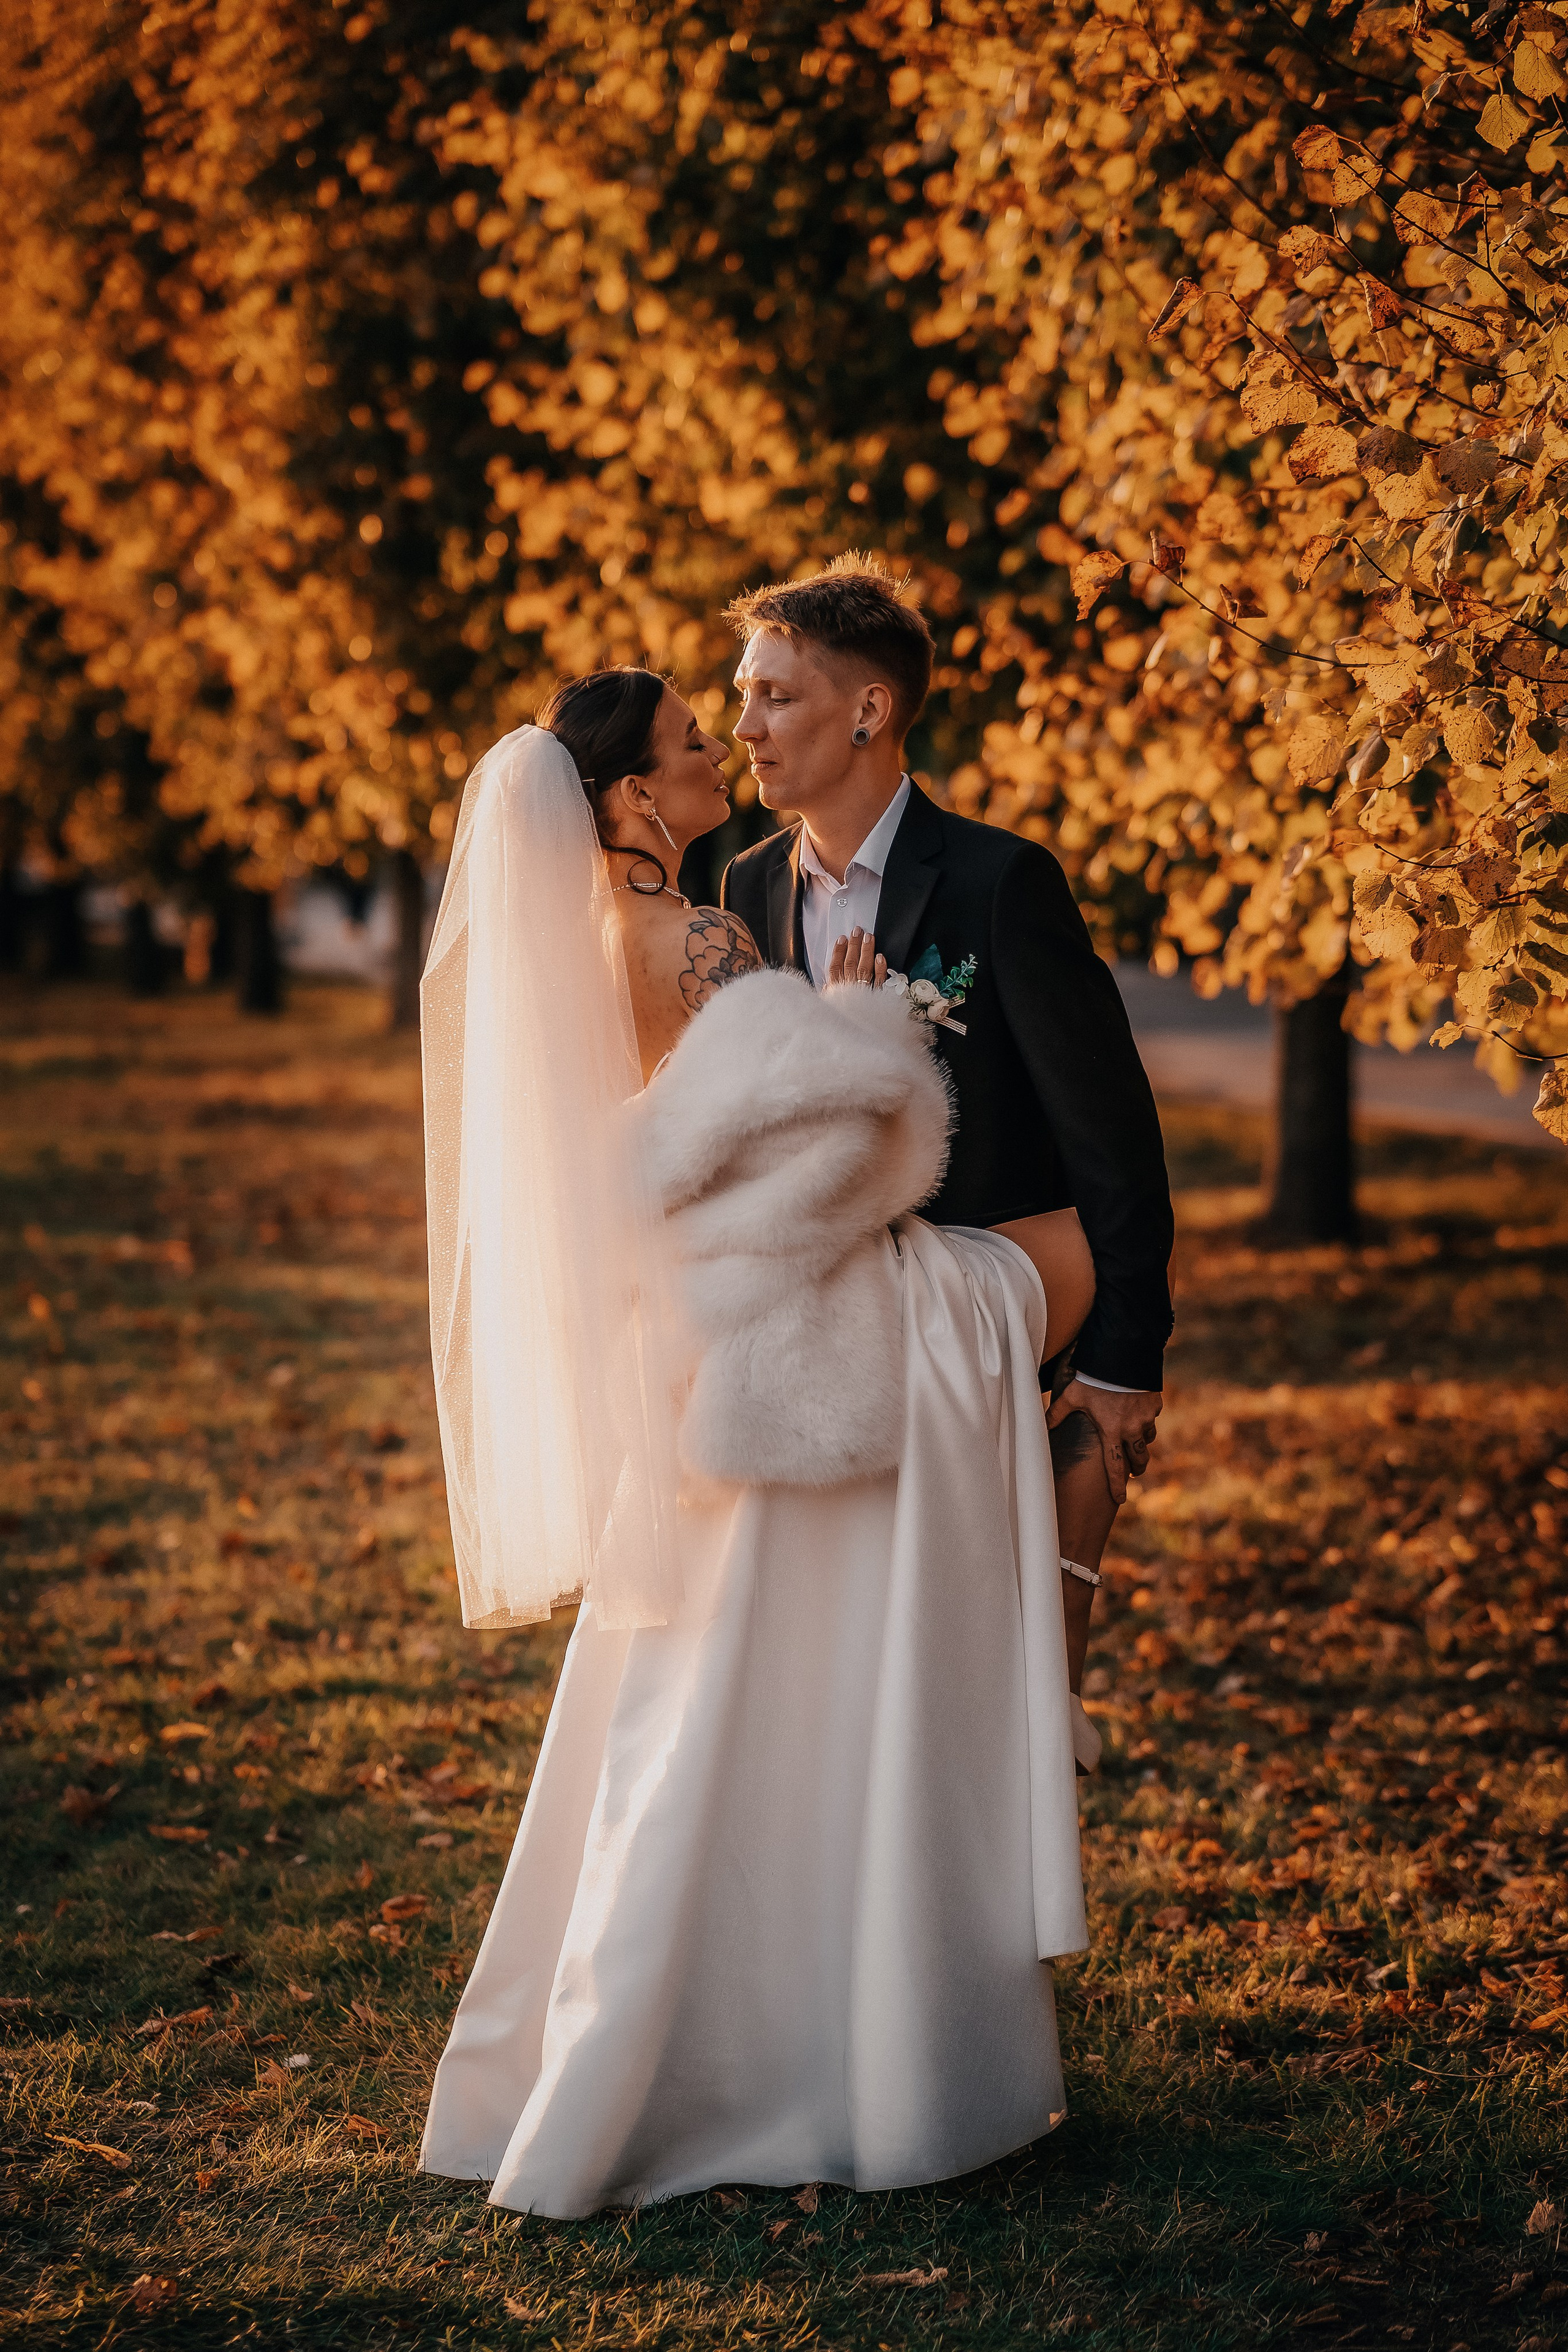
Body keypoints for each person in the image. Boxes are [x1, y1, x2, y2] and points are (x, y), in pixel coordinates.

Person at [418, 662, 1087, 2219]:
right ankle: (807, 2034)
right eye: (682, 744)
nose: (715, 750)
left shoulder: (575, 948)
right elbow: (817, 1171)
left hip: (677, 1348)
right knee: (763, 1688)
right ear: (634, 801)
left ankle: (627, 2037)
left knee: (680, 1695)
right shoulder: (704, 936)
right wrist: (861, 1035)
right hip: (768, 1342)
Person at [720, 557, 1175, 1716]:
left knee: (956, 1673)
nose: (746, 729)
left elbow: (1111, 1135)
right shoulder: (744, 886)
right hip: (814, 1348)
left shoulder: (999, 883)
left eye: (775, 695)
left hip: (966, 1346)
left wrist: (1124, 1363)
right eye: (742, 697)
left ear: (869, 709)